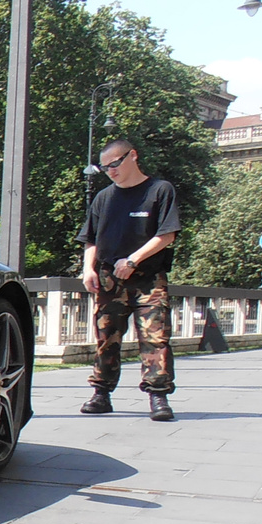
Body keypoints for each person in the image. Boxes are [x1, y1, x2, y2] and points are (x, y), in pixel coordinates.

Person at [77, 138, 181, 422]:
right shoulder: (104, 198)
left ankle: (158, 396)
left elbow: (167, 234)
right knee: (105, 337)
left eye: (115, 164)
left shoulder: (160, 190)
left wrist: (134, 259)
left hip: (148, 279)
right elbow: (90, 239)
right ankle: (101, 394)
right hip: (110, 279)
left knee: (155, 337)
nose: (110, 171)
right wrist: (89, 269)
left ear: (132, 156)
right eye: (105, 167)